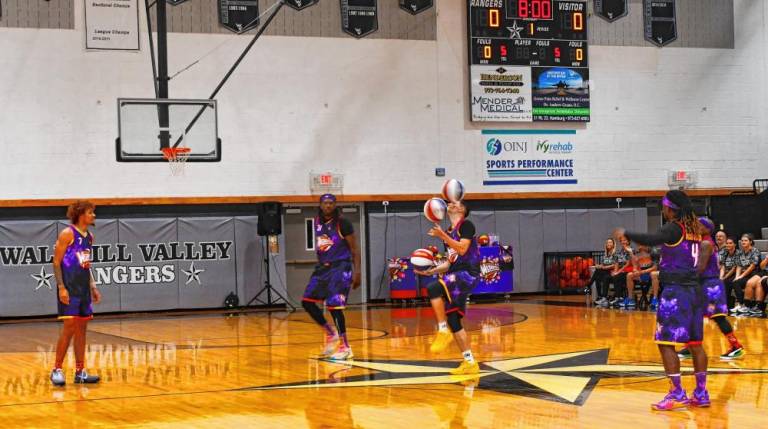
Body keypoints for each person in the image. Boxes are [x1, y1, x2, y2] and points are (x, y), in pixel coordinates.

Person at [615, 190, 709, 410]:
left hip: (676, 292)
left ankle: (677, 393)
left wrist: (626, 231)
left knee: (665, 343)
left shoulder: (674, 228)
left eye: (664, 207)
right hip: (695, 292)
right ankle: (701, 392)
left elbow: (650, 239)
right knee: (695, 344)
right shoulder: (695, 230)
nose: (663, 211)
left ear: (670, 208)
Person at [415, 200, 481, 375]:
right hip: (457, 274)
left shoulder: (466, 225)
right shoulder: (450, 232)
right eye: (450, 203)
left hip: (467, 273)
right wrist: (432, 271)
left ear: (463, 210)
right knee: (454, 320)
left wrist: (442, 235)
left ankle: (442, 330)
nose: (451, 204)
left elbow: (462, 249)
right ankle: (470, 362)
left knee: (434, 289)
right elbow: (450, 262)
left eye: (456, 203)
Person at [301, 194, 361, 360]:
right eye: (325, 203)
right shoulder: (317, 222)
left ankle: (346, 347)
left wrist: (357, 272)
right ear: (320, 205)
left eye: (331, 203)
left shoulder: (343, 223)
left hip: (341, 267)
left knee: (335, 306)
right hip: (323, 268)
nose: (328, 205)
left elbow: (354, 249)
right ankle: (330, 334)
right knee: (307, 302)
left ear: (335, 205)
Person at [50, 200, 102, 386]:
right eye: (90, 212)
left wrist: (93, 286)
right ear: (81, 215)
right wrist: (61, 287)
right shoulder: (67, 234)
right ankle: (56, 369)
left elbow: (86, 265)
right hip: (69, 289)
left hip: (83, 290)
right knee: (69, 328)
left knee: (82, 330)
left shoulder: (89, 237)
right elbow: (56, 262)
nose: (93, 216)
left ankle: (80, 371)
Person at [677, 218, 744, 360]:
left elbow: (700, 268)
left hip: (710, 285)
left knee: (718, 317)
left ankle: (736, 346)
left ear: (707, 229)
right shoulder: (699, 242)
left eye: (699, 225)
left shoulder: (706, 243)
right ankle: (691, 346)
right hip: (703, 283)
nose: (695, 227)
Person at [730, 234, 760, 314]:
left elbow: (752, 267)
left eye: (745, 240)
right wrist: (737, 277)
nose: (743, 242)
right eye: (742, 241)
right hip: (745, 274)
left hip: (754, 274)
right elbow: (739, 266)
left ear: (750, 242)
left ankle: (746, 305)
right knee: (735, 282)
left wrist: (741, 276)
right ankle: (741, 304)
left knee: (740, 281)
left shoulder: (755, 251)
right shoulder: (740, 252)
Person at [625, 244, 659, 309]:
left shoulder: (654, 252)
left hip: (650, 272)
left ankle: (655, 299)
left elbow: (655, 268)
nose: (639, 246)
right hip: (641, 273)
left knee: (653, 274)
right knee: (629, 275)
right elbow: (635, 265)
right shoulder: (637, 254)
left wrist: (641, 272)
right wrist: (635, 270)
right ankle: (630, 298)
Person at [590, 238, 618, 307]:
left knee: (599, 273)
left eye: (610, 242)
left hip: (611, 272)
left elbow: (615, 265)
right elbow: (603, 264)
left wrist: (604, 267)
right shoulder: (605, 254)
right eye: (607, 243)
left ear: (613, 245)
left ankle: (589, 285)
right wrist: (598, 266)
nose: (609, 244)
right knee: (597, 275)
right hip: (604, 272)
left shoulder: (615, 254)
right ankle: (601, 297)